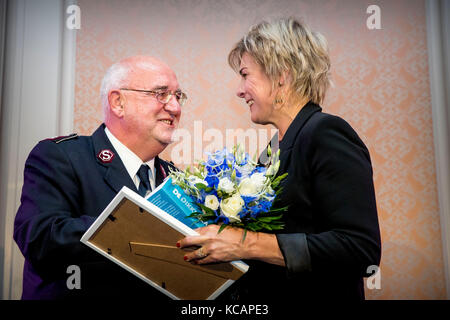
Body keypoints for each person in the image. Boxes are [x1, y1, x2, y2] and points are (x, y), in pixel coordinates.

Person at [178, 18, 381, 300]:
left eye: (245, 74)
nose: (239, 89)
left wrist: (246, 243)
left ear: (281, 75)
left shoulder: (325, 132)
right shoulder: (273, 150)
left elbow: (360, 250)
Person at [13, 55, 186, 299]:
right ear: (118, 102)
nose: (175, 108)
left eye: (178, 96)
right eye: (161, 94)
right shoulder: (62, 156)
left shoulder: (177, 180)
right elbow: (39, 239)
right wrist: (142, 229)